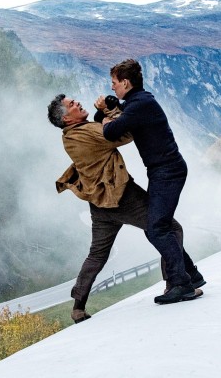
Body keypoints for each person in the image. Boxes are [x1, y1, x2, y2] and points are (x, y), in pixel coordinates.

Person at [47, 94, 205, 323]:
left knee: (97, 254)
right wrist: (111, 111)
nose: (78, 103)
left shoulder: (70, 137)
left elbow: (105, 133)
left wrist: (104, 115)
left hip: (99, 204)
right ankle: (176, 283)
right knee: (168, 228)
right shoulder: (87, 132)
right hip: (123, 197)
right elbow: (124, 134)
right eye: (72, 104)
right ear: (66, 118)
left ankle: (78, 307)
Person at [100, 59, 198, 304]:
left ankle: (182, 284)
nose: (112, 87)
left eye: (114, 82)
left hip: (167, 172)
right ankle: (192, 277)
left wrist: (105, 118)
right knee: (159, 226)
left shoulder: (140, 104)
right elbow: (125, 114)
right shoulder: (139, 101)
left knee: (156, 229)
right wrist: (113, 108)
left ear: (125, 82)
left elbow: (111, 132)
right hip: (163, 171)